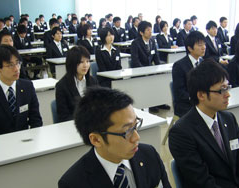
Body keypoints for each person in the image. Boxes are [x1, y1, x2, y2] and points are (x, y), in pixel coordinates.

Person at [58, 87, 172, 188]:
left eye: (135, 125)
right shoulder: (73, 183)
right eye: (127, 131)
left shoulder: (149, 155)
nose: (136, 137)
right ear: (96, 139)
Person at [169, 59, 239, 188]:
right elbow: (201, 182)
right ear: (201, 95)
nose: (228, 94)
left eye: (227, 87)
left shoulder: (229, 119)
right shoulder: (181, 132)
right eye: (221, 90)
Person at [0, 45, 42, 136]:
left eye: (18, 63)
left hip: (24, 141)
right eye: (10, 65)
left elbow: (36, 120)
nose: (16, 69)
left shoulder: (27, 86)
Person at [55, 46, 98, 122]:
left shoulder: (92, 81)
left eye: (87, 61)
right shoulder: (62, 86)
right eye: (81, 62)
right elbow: (64, 117)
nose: (85, 65)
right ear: (72, 63)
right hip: (73, 127)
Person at [172, 31, 206, 117]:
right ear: (190, 48)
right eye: (200, 45)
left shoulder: (203, 63)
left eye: (204, 44)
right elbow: (180, 93)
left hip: (202, 101)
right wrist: (198, 98)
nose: (204, 47)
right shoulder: (179, 66)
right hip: (186, 105)